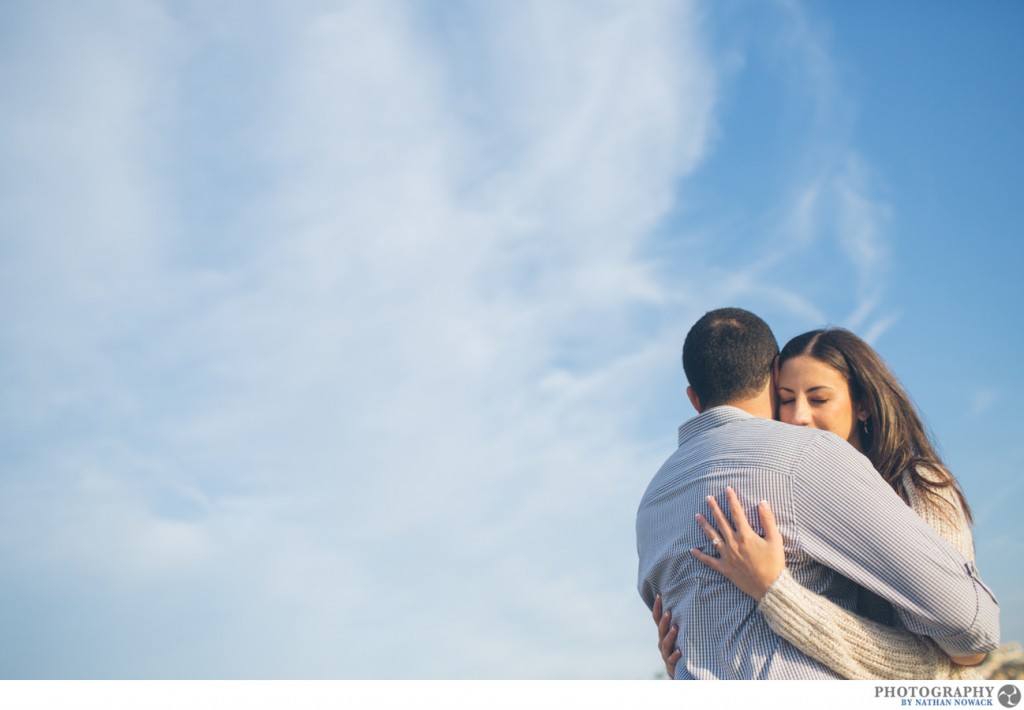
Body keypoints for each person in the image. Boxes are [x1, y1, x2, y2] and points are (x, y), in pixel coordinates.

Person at [636, 308, 999, 679]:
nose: (798, 417)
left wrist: (777, 593)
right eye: (787, 398)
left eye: (819, 399)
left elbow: (968, 643)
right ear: (772, 377)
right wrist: (687, 661)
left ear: (863, 404)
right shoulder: (797, 470)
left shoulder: (918, 483)